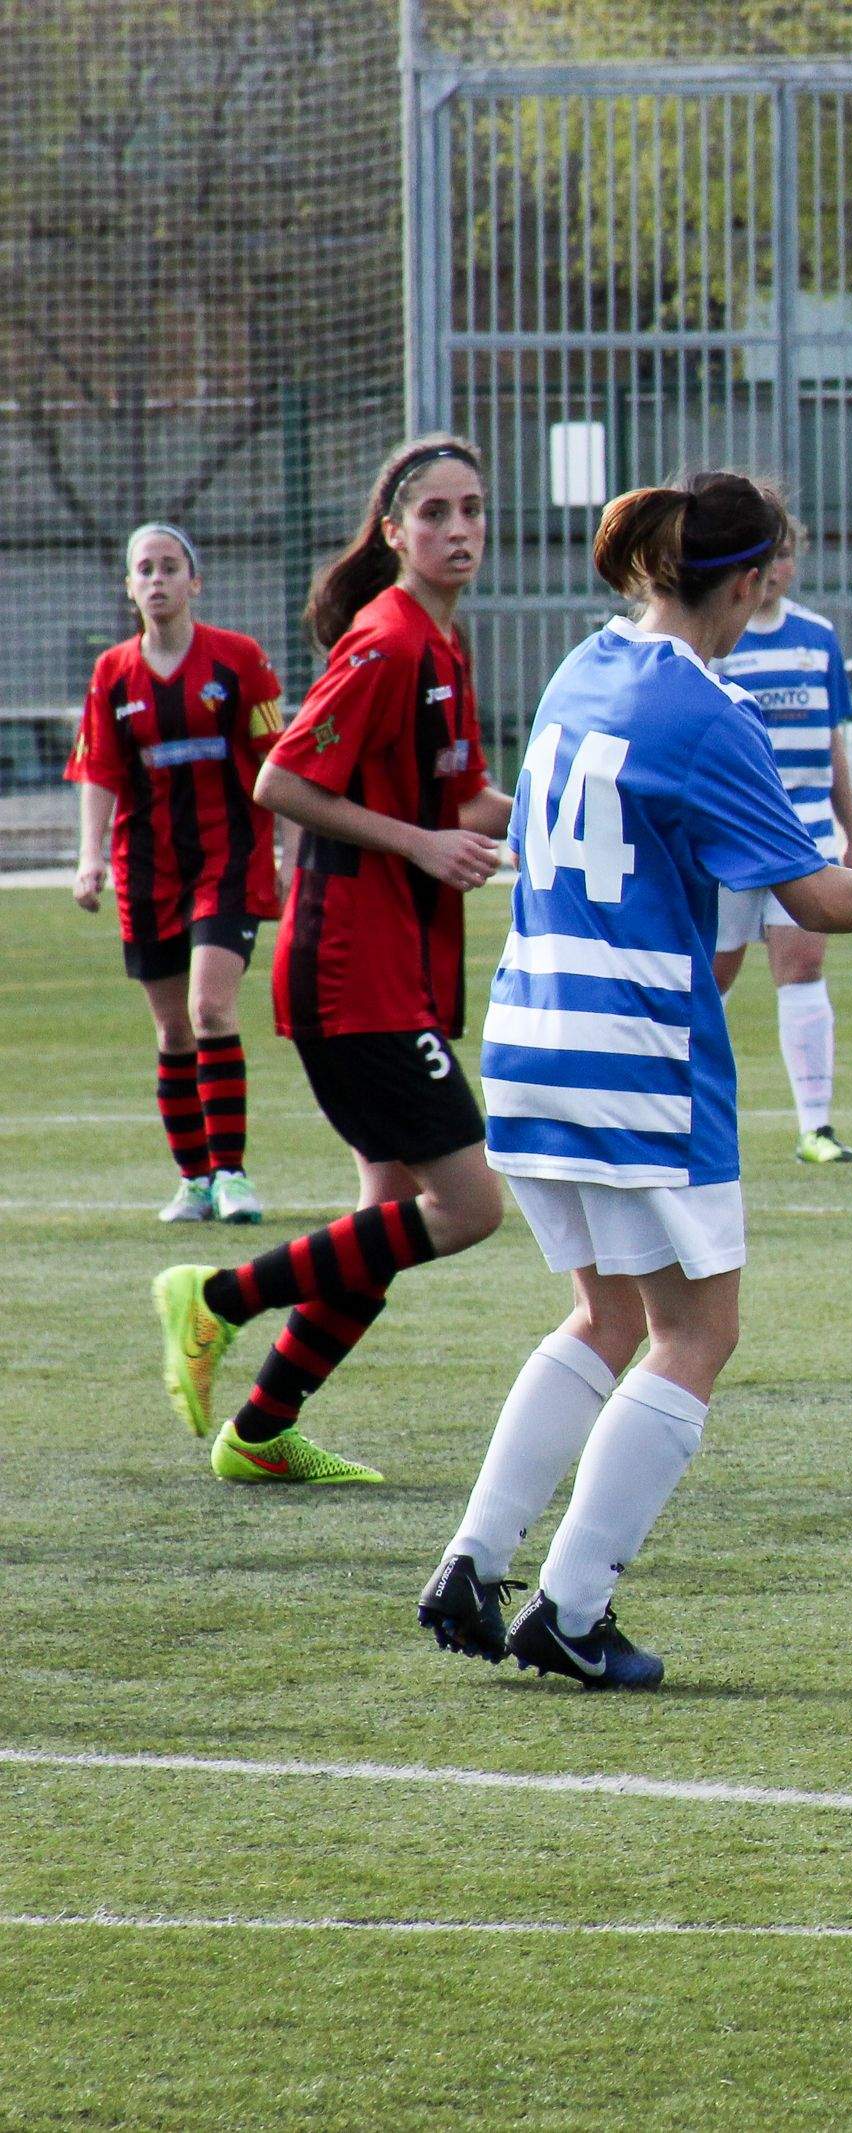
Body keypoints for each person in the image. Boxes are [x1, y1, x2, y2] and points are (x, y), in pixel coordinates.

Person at [417, 470, 852, 1690]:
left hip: (529, 1033)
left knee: (606, 1316)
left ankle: (473, 1560)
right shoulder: (709, 713)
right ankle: (570, 1610)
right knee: (697, 1333)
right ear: (743, 581)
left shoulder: (585, 665)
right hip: (637, 1056)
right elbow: (819, 897)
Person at [151, 437, 514, 1486]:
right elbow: (281, 784)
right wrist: (420, 844)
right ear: (395, 533)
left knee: (382, 1223)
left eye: (472, 511)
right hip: (350, 970)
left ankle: (260, 1433)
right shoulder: (389, 641)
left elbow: (461, 798)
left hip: (396, 965)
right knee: (468, 1208)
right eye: (435, 513)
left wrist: (580, 814)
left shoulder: (444, 646)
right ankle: (214, 1298)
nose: (458, 530)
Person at [69, 523, 290, 1226]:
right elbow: (100, 770)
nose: (158, 579)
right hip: (147, 871)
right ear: (129, 587)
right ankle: (193, 1179)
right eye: (145, 569)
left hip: (228, 861)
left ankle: (231, 1173)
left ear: (195, 582)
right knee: (173, 1033)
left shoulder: (238, 661)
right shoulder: (113, 674)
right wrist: (90, 857)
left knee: (210, 1008)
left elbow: (276, 759)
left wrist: (285, 852)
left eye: (171, 567)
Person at [708, 517, 852, 1164]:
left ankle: (816, 1127)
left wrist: (850, 832)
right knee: (711, 977)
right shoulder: (719, 641)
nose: (775, 569)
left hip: (806, 834)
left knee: (802, 966)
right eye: (764, 557)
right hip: (735, 834)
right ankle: (686, 1107)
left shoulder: (817, 637)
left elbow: (831, 743)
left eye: (786, 555)